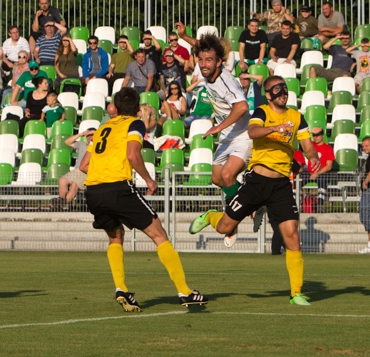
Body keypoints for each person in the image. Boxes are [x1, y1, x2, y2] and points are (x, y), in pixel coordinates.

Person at [189, 75, 320, 305]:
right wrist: (276, 128)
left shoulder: (297, 117)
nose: (283, 93)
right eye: (277, 90)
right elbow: (252, 132)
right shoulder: (261, 112)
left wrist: (312, 158)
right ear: (268, 95)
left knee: (292, 236)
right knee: (225, 227)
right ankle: (210, 216)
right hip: (256, 181)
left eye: (285, 89)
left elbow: (307, 145)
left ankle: (296, 293)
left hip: (281, 185)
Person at [78, 87, 208, 311]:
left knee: (116, 237)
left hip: (93, 191)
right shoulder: (134, 124)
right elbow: (132, 154)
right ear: (137, 108)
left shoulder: (101, 128)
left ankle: (121, 289)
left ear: (115, 108)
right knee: (159, 235)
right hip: (118, 188)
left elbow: (83, 166)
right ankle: (185, 292)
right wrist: (149, 180)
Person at [176, 24, 254, 246]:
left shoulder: (225, 81)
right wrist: (184, 37)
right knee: (216, 179)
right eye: (201, 60)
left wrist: (218, 127)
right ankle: (251, 201)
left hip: (242, 135)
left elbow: (241, 107)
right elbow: (201, 47)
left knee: (228, 176)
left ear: (220, 61)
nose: (203, 64)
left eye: (209, 60)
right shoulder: (206, 66)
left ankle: (231, 225)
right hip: (227, 137)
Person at [58, 128, 96, 204]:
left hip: (86, 171)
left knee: (74, 185)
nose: (90, 137)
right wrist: (80, 134)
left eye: (92, 135)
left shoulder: (98, 147)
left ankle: (62, 205)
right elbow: (67, 142)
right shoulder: (82, 144)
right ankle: (61, 201)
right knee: (62, 180)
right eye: (88, 136)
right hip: (77, 170)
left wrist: (94, 132)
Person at [309, 127, 337, 208]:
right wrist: (310, 131)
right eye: (314, 135)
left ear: (322, 135)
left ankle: (320, 204)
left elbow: (329, 166)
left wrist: (317, 173)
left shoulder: (328, 148)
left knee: (322, 179)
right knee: (297, 180)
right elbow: (300, 138)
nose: (315, 137)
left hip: (322, 173)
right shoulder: (310, 146)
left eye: (318, 135)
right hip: (310, 173)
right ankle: (296, 205)